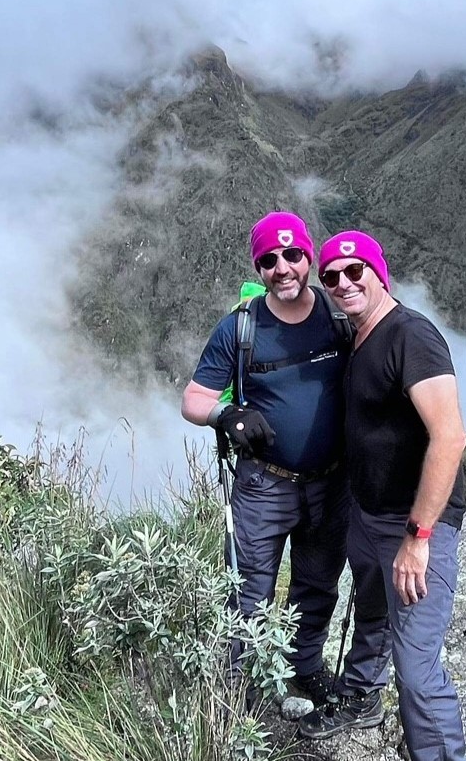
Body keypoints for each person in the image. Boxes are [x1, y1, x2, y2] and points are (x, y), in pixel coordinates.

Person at [180, 211, 368, 710]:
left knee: (318, 582)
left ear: (308, 257)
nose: (282, 267)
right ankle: (243, 686)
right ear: (258, 267)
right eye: (269, 260)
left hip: (331, 483)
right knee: (248, 589)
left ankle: (304, 667)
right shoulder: (240, 329)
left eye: (292, 255)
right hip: (264, 484)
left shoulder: (337, 317)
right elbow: (193, 399)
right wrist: (227, 415)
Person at [298, 230, 466, 761]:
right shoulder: (359, 335)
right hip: (367, 516)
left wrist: (418, 538)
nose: (344, 283)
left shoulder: (409, 336)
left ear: (378, 271)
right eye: (331, 277)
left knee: (417, 671)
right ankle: (362, 696)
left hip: (413, 523)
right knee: (371, 613)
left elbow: (449, 436)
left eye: (355, 272)